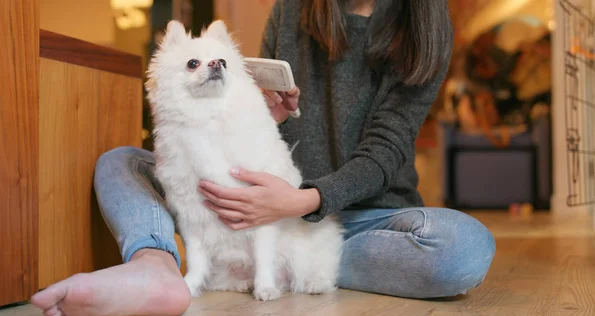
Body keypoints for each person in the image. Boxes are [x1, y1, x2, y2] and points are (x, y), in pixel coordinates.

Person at [31, 0, 496, 315]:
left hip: (357, 219)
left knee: (463, 248)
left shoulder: (424, 30)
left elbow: (386, 151)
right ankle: (156, 263)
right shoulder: (295, 9)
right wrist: (267, 114)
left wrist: (301, 202)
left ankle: (302, 263)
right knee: (121, 161)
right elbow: (260, 134)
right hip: (254, 196)